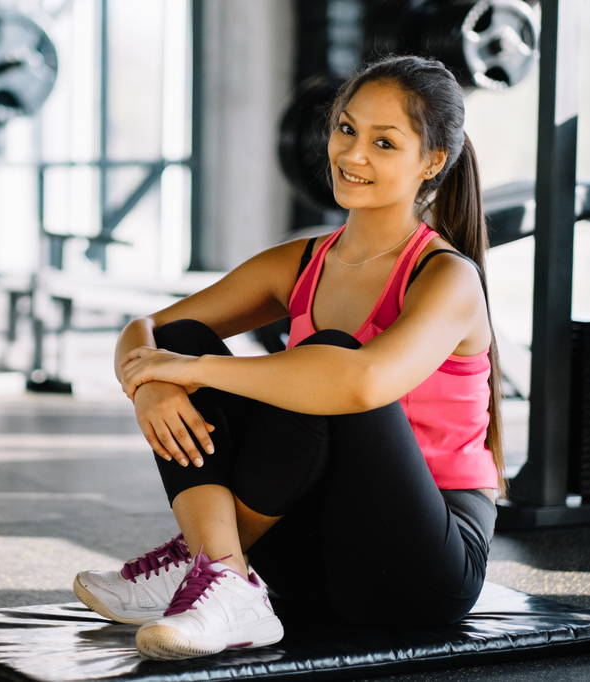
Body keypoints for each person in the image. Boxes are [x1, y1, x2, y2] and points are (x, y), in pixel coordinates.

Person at [73, 54, 505, 661]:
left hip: (423, 566)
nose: (352, 155)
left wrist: (190, 371)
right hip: (312, 565)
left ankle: (206, 564)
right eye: (346, 129)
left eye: (384, 143)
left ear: (431, 162)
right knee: (191, 340)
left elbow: (361, 384)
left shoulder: (445, 277)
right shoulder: (299, 262)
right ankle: (221, 575)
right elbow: (147, 329)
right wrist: (153, 385)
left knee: (322, 360)